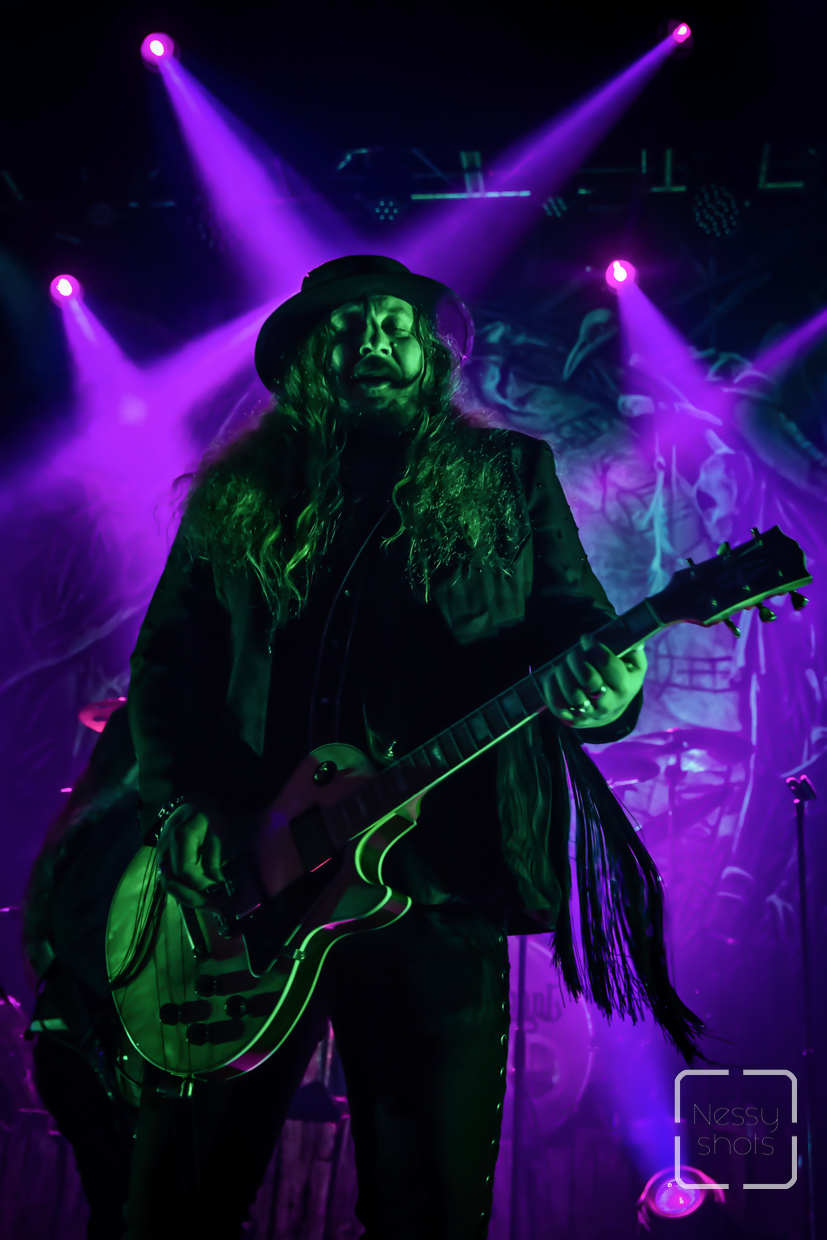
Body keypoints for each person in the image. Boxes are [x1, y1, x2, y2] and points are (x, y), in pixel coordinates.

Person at [126, 255, 702, 1240]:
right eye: (347, 326)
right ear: (306, 357)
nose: (376, 343)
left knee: (428, 1208)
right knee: (176, 1201)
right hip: (246, 883)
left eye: (396, 325)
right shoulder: (237, 493)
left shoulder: (505, 472)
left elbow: (572, 623)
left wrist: (607, 691)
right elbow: (167, 667)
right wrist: (186, 806)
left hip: (436, 883)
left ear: (429, 353)